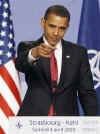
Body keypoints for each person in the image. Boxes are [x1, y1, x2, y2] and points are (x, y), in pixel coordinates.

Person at [15, 5, 98, 116]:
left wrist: (93, 124)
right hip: (33, 121)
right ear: (43, 22)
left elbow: (87, 92)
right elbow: (20, 65)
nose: (56, 33)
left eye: (61, 28)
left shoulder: (78, 53)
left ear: (67, 27)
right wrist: (34, 53)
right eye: (52, 26)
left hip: (67, 123)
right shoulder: (27, 47)